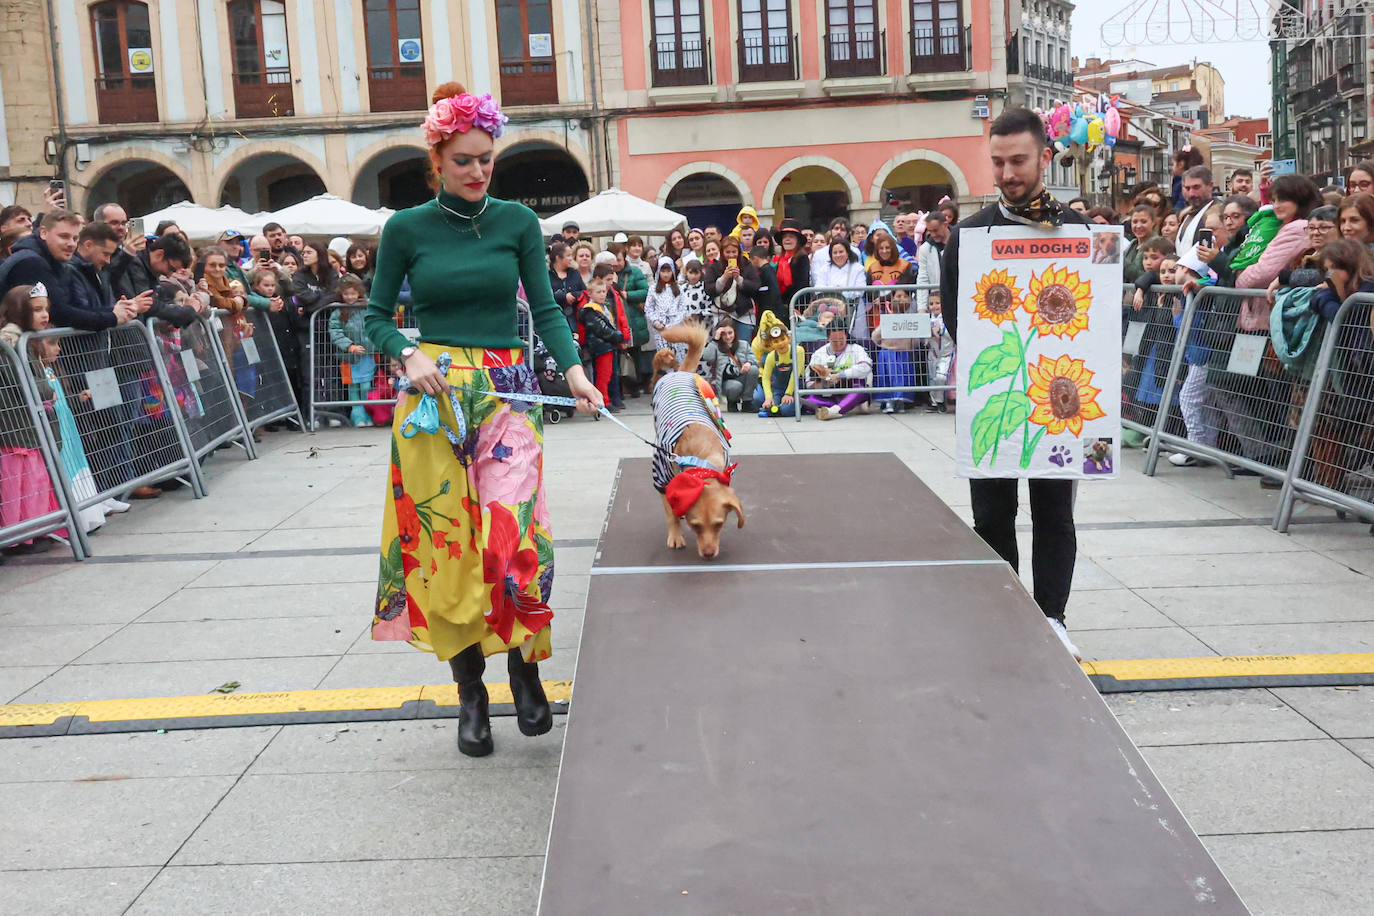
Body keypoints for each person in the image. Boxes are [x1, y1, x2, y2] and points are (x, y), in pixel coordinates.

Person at [363, 81, 599, 758]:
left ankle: (525, 669)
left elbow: (547, 308)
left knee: (516, 540)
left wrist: (575, 371)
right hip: (431, 401)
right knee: (447, 553)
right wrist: (406, 354)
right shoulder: (405, 229)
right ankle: (470, 694)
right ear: (435, 159)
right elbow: (374, 318)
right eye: (463, 159)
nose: (475, 171)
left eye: (485, 159)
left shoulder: (518, 223)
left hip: (508, 392)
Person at [939, 106, 1087, 657]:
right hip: (994, 400)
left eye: (1018, 160)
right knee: (992, 516)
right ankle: (1003, 616)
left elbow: (1095, 319)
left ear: (1045, 157)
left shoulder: (1082, 233)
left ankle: (1053, 616)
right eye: (998, 162)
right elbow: (959, 321)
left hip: (1059, 399)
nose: (1007, 173)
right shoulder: (968, 237)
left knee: (1055, 513)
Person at [0, 284, 61, 554]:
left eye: (46, 309)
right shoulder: (10, 343)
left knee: (32, 481)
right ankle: (16, 538)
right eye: (37, 310)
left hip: (26, 429)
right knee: (16, 486)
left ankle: (31, 531)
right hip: (14, 430)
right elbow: (23, 384)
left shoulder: (24, 339)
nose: (44, 315)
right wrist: (48, 390)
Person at [328, 276, 377, 427]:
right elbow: (335, 331)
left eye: (353, 293)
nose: (350, 297)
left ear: (359, 293)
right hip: (348, 357)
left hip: (367, 354)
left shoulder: (366, 308)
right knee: (353, 387)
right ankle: (357, 416)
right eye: (346, 294)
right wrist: (349, 346)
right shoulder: (338, 312)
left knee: (366, 386)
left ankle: (367, 415)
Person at [804, 325, 872, 419]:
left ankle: (834, 411)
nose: (839, 343)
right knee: (808, 401)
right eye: (834, 341)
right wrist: (824, 382)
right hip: (829, 393)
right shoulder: (819, 353)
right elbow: (809, 382)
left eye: (841, 339)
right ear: (828, 338)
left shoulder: (856, 349)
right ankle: (846, 405)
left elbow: (866, 366)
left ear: (846, 337)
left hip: (851, 387)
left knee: (860, 388)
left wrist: (841, 375)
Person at [870, 288, 918, 413]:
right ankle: (888, 402)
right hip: (888, 353)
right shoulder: (887, 319)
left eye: (903, 296)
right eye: (897, 296)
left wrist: (911, 346)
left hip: (903, 353)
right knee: (887, 378)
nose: (900, 299)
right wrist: (882, 344)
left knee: (902, 378)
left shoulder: (911, 320)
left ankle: (900, 402)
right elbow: (875, 335)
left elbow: (916, 339)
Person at [705, 235, 760, 343]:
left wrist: (739, 279)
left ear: (739, 251)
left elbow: (755, 286)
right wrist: (724, 278)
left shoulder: (746, 264)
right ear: (722, 252)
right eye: (728, 252)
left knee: (743, 348)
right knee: (722, 349)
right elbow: (709, 289)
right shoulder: (714, 266)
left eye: (734, 252)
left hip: (743, 314)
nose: (731, 255)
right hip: (721, 315)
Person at [644, 256, 687, 362]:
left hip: (676, 329)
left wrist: (673, 324)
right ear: (659, 271)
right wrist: (656, 322)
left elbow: (683, 308)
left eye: (669, 271)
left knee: (678, 358)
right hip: (660, 329)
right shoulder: (653, 289)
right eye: (663, 271)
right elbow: (648, 308)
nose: (666, 274)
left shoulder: (679, 289)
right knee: (664, 359)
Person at [772, 218, 811, 318]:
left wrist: (792, 306)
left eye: (791, 237)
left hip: (797, 306)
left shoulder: (802, 258)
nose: (787, 239)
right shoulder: (779, 260)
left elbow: (801, 284)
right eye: (785, 237)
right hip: (782, 306)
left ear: (797, 240)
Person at [1176, 166, 1221, 251]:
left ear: (1210, 186)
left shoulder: (1217, 212)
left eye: (1196, 187)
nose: (1191, 193)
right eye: (1187, 188)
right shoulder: (1185, 214)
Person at [547, 240, 585, 332]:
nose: (571, 258)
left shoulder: (575, 273)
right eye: (568, 255)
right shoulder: (546, 276)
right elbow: (545, 296)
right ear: (558, 258)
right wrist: (563, 297)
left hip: (575, 321)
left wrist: (573, 295)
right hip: (554, 322)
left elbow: (584, 292)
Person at [916, 213, 948, 311]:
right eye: (930, 231)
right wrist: (921, 308)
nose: (933, 234)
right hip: (938, 302)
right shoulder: (925, 249)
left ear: (945, 224)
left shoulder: (960, 241)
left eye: (936, 230)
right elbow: (923, 278)